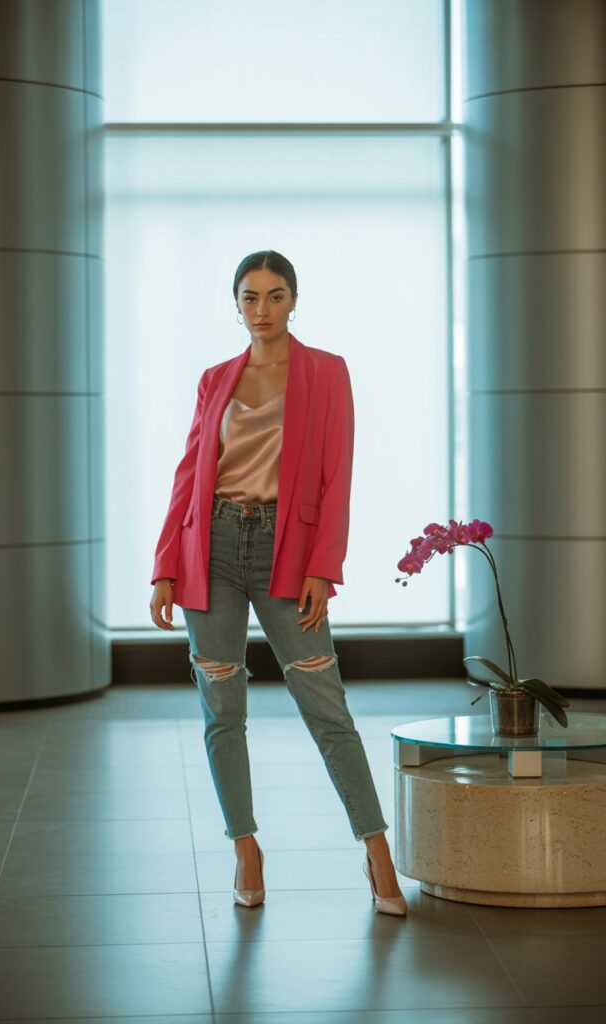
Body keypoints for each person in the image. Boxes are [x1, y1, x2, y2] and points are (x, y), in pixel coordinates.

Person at [150, 250, 406, 916]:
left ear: (295, 300)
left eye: (275, 295)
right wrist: (164, 568)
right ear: (235, 303)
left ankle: (377, 850)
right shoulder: (215, 379)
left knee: (327, 707)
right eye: (250, 296)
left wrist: (324, 565)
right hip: (211, 550)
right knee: (222, 713)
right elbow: (188, 477)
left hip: (287, 556)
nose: (262, 309)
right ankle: (246, 847)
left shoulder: (326, 373)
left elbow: (337, 475)